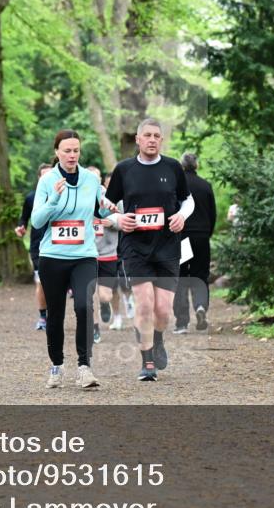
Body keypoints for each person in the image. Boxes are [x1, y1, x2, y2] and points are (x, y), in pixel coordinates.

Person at [105, 118, 193, 382]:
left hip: (167, 247)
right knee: (144, 305)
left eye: (157, 135)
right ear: (138, 139)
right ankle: (147, 363)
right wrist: (119, 220)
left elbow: (188, 201)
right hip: (135, 248)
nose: (152, 139)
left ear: (161, 140)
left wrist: (182, 217)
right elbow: (104, 208)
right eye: (147, 135)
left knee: (163, 311)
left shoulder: (173, 167)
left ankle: (157, 340)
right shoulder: (124, 170)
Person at [31, 130, 111, 389]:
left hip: (84, 255)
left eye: (76, 150)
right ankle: (56, 366)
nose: (72, 155)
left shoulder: (90, 179)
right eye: (67, 150)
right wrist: (54, 198)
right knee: (55, 314)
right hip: (52, 256)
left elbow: (100, 208)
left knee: (83, 307)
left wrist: (107, 207)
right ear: (56, 152)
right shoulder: (47, 181)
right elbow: (37, 221)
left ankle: (85, 367)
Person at [173, 153, 216, 334]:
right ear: (196, 166)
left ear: (182, 166)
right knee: (200, 275)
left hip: (182, 236)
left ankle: (182, 322)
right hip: (202, 237)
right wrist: (207, 233)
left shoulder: (177, 186)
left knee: (181, 276)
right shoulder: (206, 186)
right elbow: (212, 213)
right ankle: (200, 306)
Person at [15, 163, 52, 330]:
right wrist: (21, 227)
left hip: (60, 245)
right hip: (38, 246)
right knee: (42, 282)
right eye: (43, 176)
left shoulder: (64, 196)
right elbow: (23, 219)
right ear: (38, 178)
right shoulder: (31, 198)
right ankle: (43, 317)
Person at [89, 167, 118, 344]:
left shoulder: (111, 198)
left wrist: (111, 222)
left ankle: (105, 304)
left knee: (105, 295)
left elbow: (124, 219)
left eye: (96, 178)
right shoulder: (79, 197)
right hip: (86, 254)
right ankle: (94, 328)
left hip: (108, 253)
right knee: (87, 295)